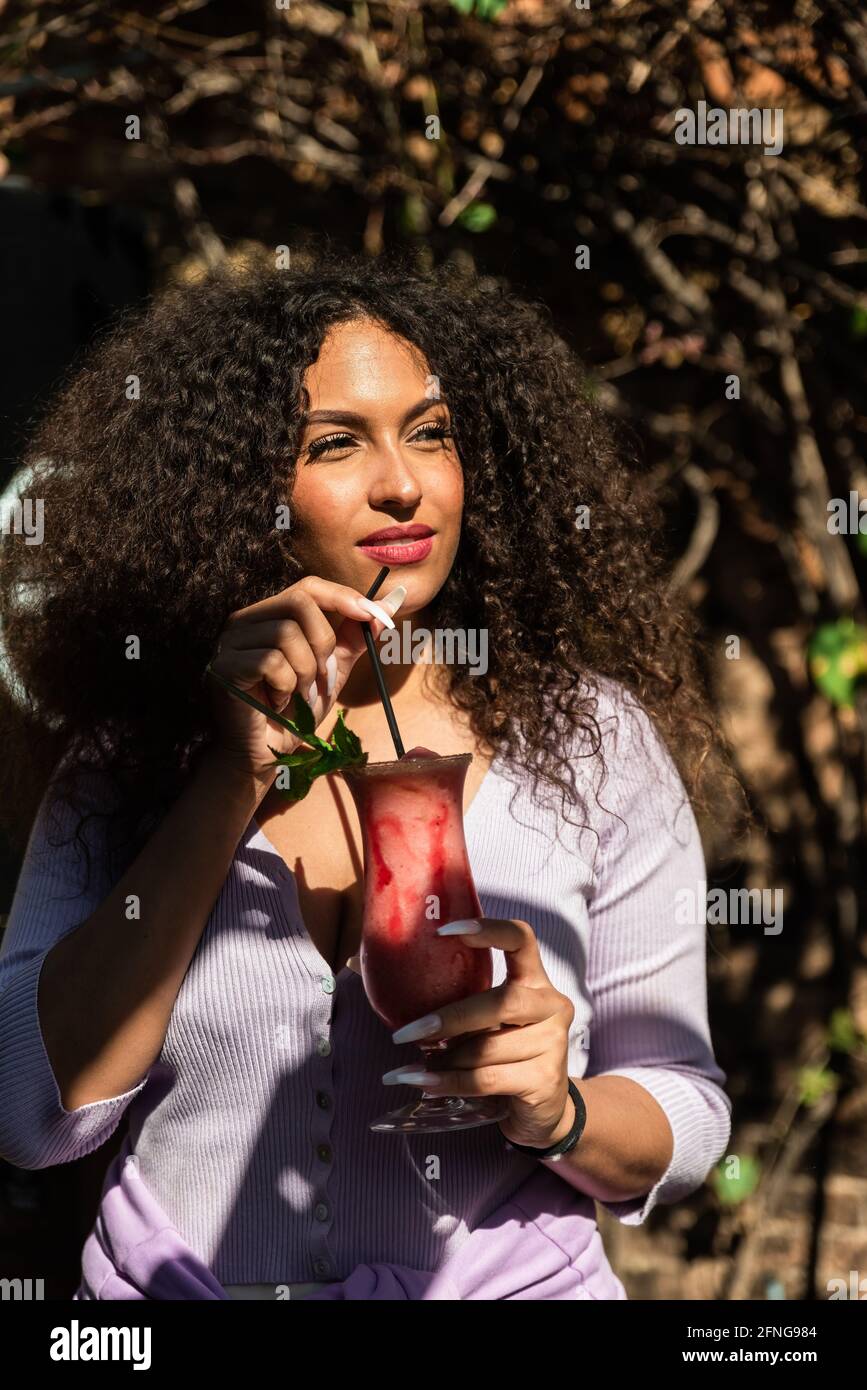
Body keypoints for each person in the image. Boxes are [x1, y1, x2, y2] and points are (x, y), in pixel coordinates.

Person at [0, 251, 733, 1299]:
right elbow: (29, 1112)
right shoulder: (130, 759)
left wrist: (558, 1108)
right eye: (336, 443)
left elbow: (686, 1110)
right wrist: (227, 780)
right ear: (241, 488)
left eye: (431, 433)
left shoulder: (589, 742)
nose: (403, 481)